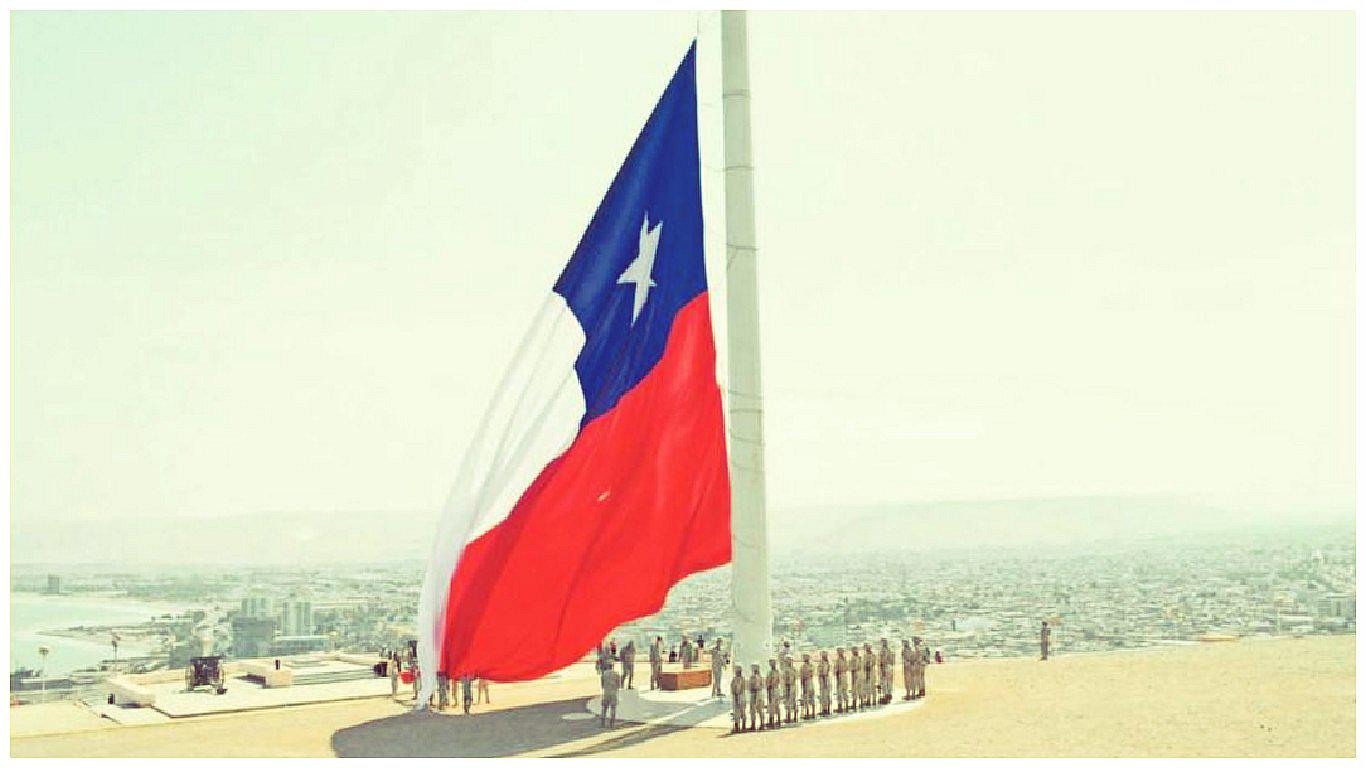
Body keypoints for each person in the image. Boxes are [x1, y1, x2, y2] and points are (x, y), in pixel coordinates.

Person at [599, 661, 620, 727]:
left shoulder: (604, 674)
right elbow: (618, 684)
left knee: (604, 708)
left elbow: (602, 685)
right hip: (613, 692)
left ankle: (603, 722)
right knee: (613, 708)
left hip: (606, 692)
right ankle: (612, 723)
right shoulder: (616, 674)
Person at [730, 665, 747, 734]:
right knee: (742, 712)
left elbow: (733, 689)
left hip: (738, 697)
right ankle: (743, 726)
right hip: (742, 697)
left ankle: (737, 727)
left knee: (737, 712)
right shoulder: (743, 679)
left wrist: (736, 696)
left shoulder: (735, 680)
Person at [747, 663, 764, 732]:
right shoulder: (760, 676)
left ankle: (753, 725)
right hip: (759, 694)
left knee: (753, 710)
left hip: (755, 694)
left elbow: (755, 686)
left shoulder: (754, 677)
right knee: (760, 710)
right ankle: (762, 724)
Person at [765, 659, 781, 729]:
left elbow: (771, 682)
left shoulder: (774, 672)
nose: (771, 664)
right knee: (773, 705)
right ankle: (774, 721)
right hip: (773, 689)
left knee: (773, 705)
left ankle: (774, 721)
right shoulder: (771, 672)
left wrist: (770, 686)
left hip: (773, 689)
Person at [781, 655, 797, 724]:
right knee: (787, 701)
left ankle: (794, 717)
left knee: (792, 701)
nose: (787, 661)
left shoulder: (793, 669)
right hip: (786, 686)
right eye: (786, 660)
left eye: (789, 660)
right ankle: (788, 716)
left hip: (792, 686)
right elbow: (783, 678)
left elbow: (795, 677)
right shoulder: (784, 669)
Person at [799, 653, 815, 720]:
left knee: (811, 697)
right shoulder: (802, 667)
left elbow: (810, 674)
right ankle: (807, 713)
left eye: (806, 657)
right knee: (806, 697)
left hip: (810, 681)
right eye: (804, 657)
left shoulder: (811, 665)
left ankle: (813, 713)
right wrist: (802, 683)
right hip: (805, 682)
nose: (805, 658)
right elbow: (801, 676)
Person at [879, 638, 895, 705]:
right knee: (889, 682)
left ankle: (886, 696)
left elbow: (883, 659)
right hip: (890, 666)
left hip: (885, 666)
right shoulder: (889, 650)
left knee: (884, 682)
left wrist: (883, 668)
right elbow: (892, 660)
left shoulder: (883, 650)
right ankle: (889, 695)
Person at [817, 649, 832, 716]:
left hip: (825, 679)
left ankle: (825, 710)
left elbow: (824, 672)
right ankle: (825, 709)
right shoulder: (825, 662)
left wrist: (824, 679)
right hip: (824, 679)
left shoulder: (825, 663)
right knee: (824, 694)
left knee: (825, 694)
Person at [834, 647, 849, 713]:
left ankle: (840, 707)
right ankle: (846, 705)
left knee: (840, 691)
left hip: (840, 676)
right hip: (844, 675)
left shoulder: (839, 660)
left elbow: (837, 669)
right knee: (844, 690)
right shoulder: (845, 659)